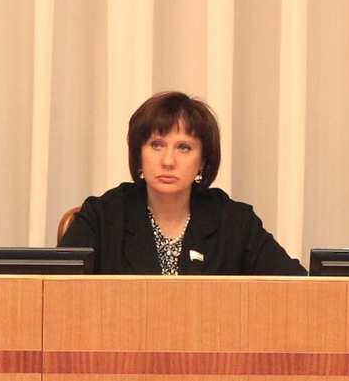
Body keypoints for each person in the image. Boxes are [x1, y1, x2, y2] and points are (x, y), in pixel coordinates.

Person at [60, 91, 303, 276]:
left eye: (184, 148)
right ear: (139, 154)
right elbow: (54, 291)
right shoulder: (103, 217)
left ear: (202, 161)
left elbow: (296, 286)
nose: (168, 161)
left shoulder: (234, 222)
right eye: (156, 145)